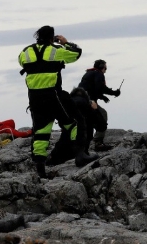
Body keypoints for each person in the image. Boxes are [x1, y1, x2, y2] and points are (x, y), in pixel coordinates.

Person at [18, 25, 98, 177]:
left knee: (41, 132)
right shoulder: (55, 50)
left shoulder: (25, 52)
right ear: (52, 37)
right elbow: (75, 54)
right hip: (54, 95)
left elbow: (21, 62)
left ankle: (40, 169)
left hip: (35, 99)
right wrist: (65, 43)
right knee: (75, 122)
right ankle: (80, 155)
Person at [79, 59, 121, 150]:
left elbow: (93, 89)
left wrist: (102, 97)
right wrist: (114, 92)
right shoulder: (98, 74)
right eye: (105, 67)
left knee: (86, 121)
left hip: (80, 100)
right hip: (89, 102)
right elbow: (101, 87)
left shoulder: (89, 73)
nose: (106, 69)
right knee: (102, 115)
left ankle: (81, 144)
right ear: (102, 67)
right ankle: (98, 142)